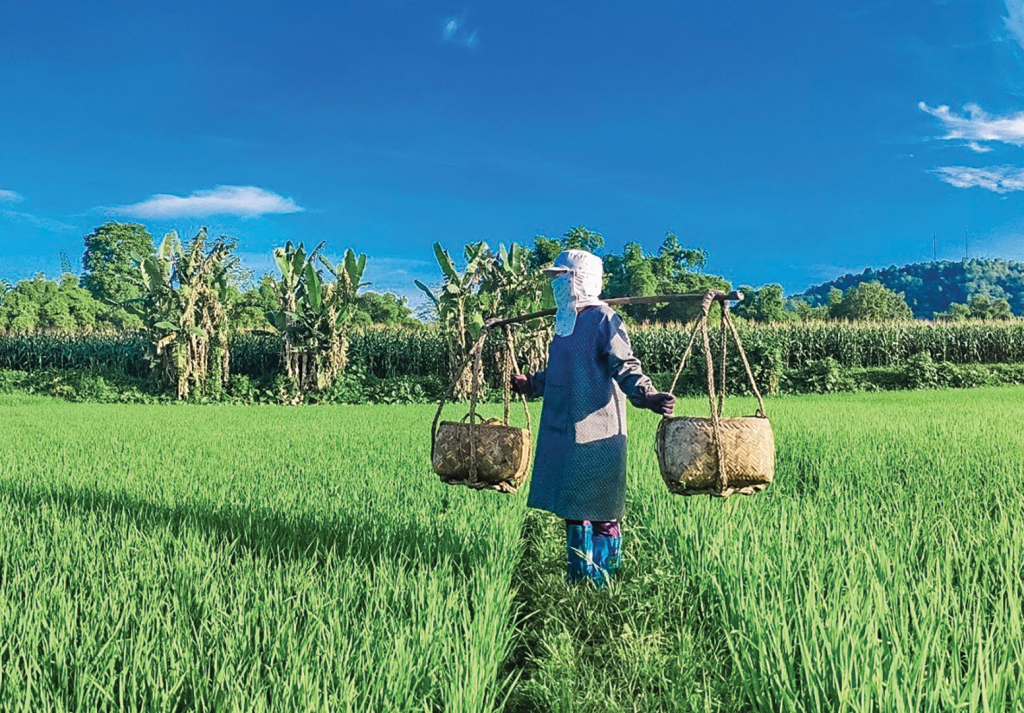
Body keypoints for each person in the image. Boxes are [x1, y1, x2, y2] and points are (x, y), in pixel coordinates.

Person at [511, 249, 675, 587]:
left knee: (601, 505)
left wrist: (647, 395)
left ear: (578, 279)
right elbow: (560, 370)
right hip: (562, 427)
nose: (556, 284)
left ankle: (602, 580)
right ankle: (578, 579)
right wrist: (533, 384)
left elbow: (625, 365)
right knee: (573, 501)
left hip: (597, 427)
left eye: (561, 277)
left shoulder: (604, 319)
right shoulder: (565, 321)